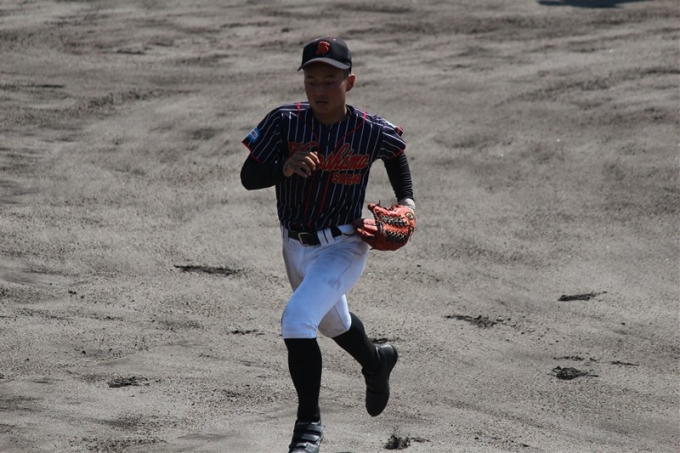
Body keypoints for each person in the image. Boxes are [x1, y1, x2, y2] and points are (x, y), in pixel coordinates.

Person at [240, 36, 416, 453]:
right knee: (333, 323)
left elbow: (395, 153)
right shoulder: (285, 122)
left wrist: (408, 203)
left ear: (349, 82)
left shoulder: (369, 129)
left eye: (330, 81)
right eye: (312, 81)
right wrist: (284, 167)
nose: (319, 89)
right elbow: (248, 177)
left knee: (297, 319)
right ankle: (376, 361)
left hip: (344, 244)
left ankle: (308, 427)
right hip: (294, 245)